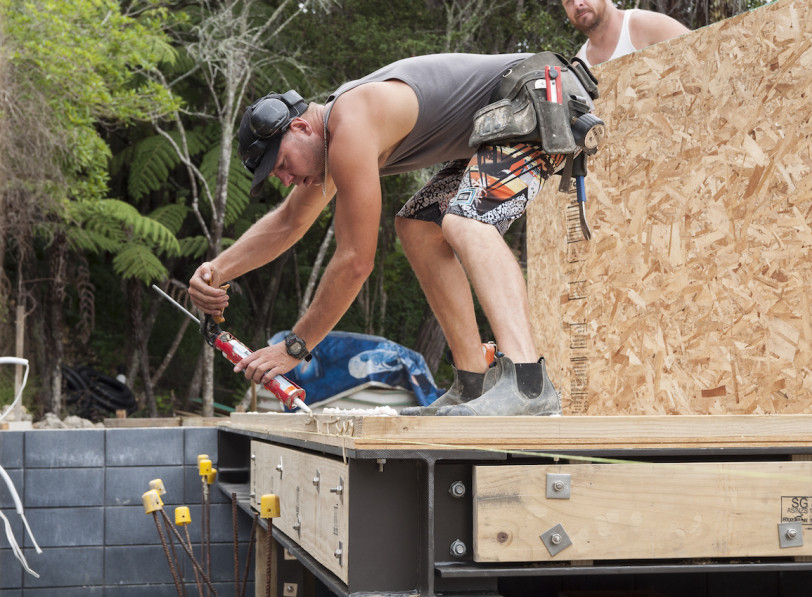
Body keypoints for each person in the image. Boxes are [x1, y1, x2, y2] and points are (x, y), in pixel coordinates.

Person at [187, 53, 598, 417]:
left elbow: (355, 261)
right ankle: (472, 382)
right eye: (277, 175)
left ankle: (528, 385)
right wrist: (218, 269)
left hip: (540, 91)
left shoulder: (350, 125)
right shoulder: (334, 140)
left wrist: (293, 348)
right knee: (418, 227)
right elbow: (288, 222)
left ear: (301, 127)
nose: (286, 178)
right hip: (508, 113)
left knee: (467, 221)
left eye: (282, 163)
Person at [563, 0, 690, 66]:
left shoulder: (647, 24)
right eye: (568, 1)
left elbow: (704, 57)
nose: (577, 4)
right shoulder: (579, 65)